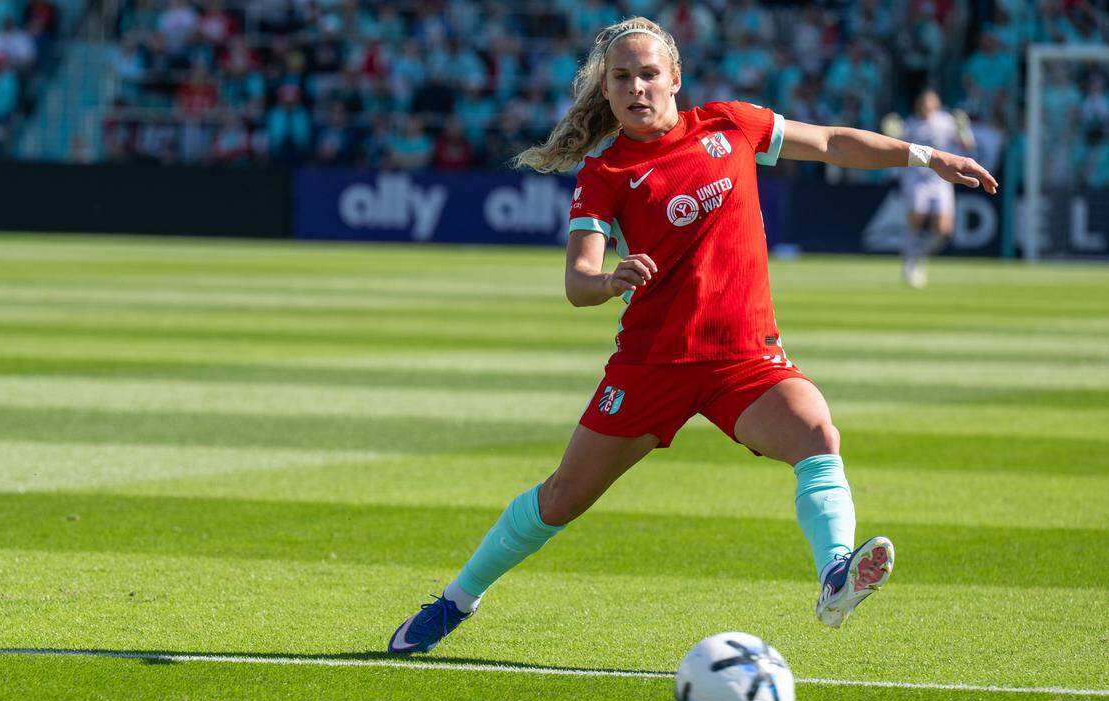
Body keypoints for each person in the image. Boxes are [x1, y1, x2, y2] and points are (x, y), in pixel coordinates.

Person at [388, 18, 997, 655]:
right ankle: (456, 600)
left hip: (745, 361)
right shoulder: (606, 173)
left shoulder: (730, 124)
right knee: (562, 498)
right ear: (606, 91)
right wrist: (610, 281)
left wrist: (927, 156)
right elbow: (577, 280)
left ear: (675, 78)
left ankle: (836, 574)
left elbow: (833, 142)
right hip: (651, 366)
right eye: (620, 78)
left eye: (648, 73)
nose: (636, 87)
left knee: (818, 434)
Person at [887, 89, 977, 287]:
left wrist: (964, 129)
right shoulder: (911, 124)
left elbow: (968, 145)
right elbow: (895, 148)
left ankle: (917, 256)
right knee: (916, 218)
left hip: (940, 180)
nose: (927, 106)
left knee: (944, 229)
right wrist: (890, 134)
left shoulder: (945, 122)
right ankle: (910, 261)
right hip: (916, 179)